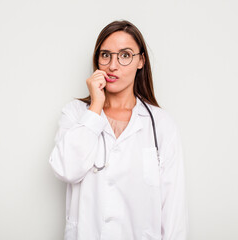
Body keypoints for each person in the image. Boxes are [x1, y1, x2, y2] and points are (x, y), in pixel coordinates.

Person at [49, 20, 188, 240]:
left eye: (125, 55)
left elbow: (173, 211)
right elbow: (66, 170)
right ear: (97, 60)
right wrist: (95, 107)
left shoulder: (161, 125)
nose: (113, 65)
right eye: (106, 55)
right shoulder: (76, 114)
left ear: (141, 61)